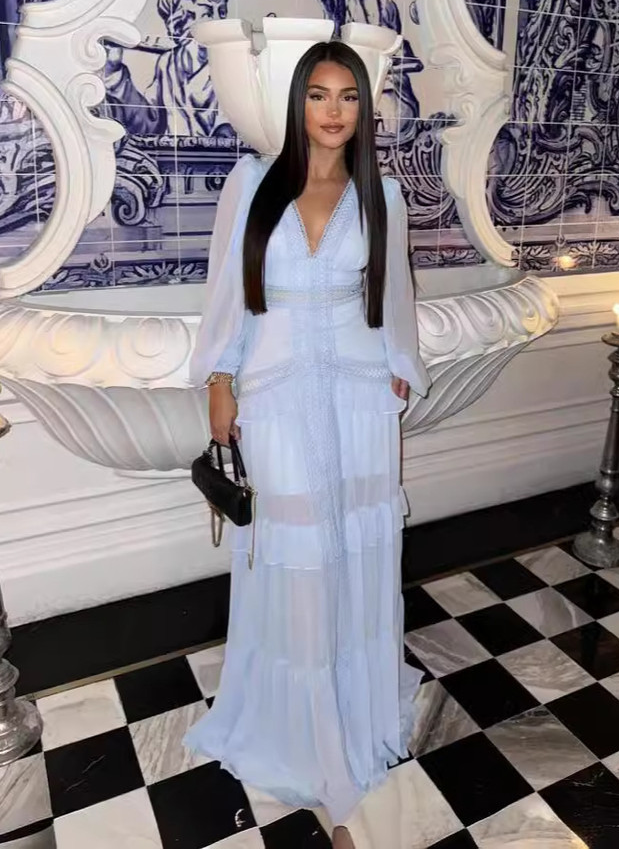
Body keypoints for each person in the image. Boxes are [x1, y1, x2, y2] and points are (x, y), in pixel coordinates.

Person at [184, 41, 430, 847]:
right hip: (277, 391)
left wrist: (399, 366)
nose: (333, 110)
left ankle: (354, 708)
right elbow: (229, 290)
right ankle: (298, 724)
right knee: (293, 553)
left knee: (355, 550)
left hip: (359, 395)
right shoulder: (253, 182)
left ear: (363, 108)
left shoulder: (381, 193)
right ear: (298, 103)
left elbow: (393, 293)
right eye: (319, 94)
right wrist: (220, 380)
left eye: (348, 95)